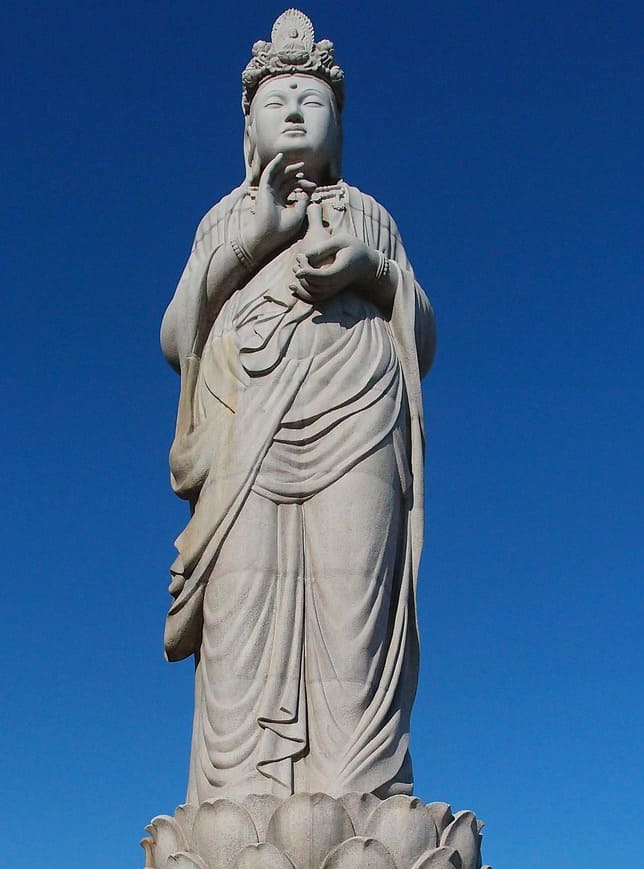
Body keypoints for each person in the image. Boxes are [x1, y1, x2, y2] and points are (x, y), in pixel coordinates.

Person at [161, 10, 435, 805]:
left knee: (355, 617)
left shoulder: (370, 215)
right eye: (275, 101)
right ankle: (237, 807)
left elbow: (424, 335)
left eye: (311, 102)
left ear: (338, 125)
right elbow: (177, 336)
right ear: (248, 126)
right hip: (246, 429)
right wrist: (254, 239)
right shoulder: (224, 217)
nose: (292, 113)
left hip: (359, 414)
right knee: (241, 619)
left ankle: (362, 800)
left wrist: (372, 272)